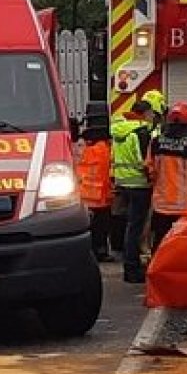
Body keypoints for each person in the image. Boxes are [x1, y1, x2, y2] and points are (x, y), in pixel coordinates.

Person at [111, 100, 156, 283]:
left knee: (129, 225)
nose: (153, 116)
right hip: (139, 184)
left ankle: (129, 264)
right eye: (151, 113)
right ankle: (132, 268)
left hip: (123, 182)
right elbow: (145, 160)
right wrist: (152, 177)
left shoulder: (119, 130)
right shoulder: (141, 132)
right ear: (144, 113)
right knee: (136, 228)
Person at [147, 101, 187, 252]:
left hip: (161, 204)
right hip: (185, 204)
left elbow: (149, 171)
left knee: (159, 242)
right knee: (182, 246)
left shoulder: (156, 142)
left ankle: (156, 271)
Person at [75, 109, 113, 262]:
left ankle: (87, 252)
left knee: (87, 228)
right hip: (101, 196)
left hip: (84, 194)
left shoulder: (80, 146)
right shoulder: (105, 148)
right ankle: (101, 252)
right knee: (101, 229)